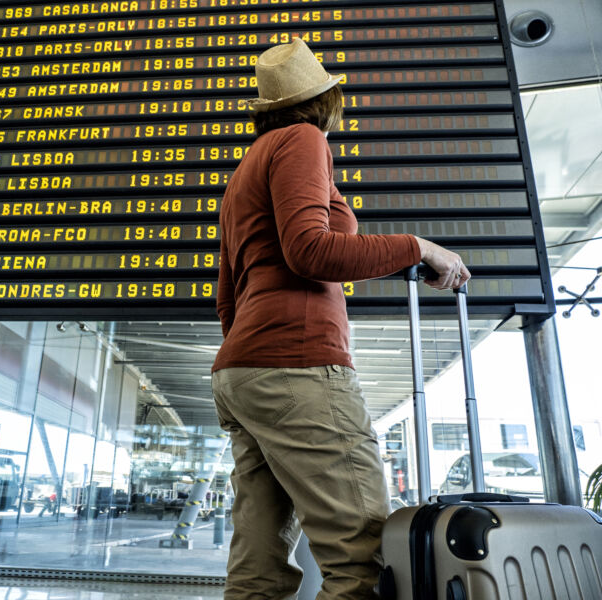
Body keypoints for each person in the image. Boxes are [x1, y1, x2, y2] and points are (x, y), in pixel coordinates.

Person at [211, 38, 471, 600]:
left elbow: (227, 296)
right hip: (297, 365)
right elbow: (311, 250)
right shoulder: (303, 141)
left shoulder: (245, 170)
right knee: (362, 560)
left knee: (258, 570)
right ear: (329, 100)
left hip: (243, 371)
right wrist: (418, 247)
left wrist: (253, 358)